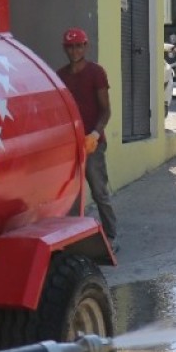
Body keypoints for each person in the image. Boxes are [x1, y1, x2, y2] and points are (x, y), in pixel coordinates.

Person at [56, 28, 116, 249]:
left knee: (99, 190)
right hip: (70, 143)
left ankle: (111, 236)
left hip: (92, 143)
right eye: (70, 47)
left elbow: (106, 110)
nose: (75, 50)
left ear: (86, 47)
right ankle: (70, 237)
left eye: (79, 45)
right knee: (68, 193)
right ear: (65, 49)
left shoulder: (96, 73)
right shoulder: (60, 76)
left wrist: (95, 134)